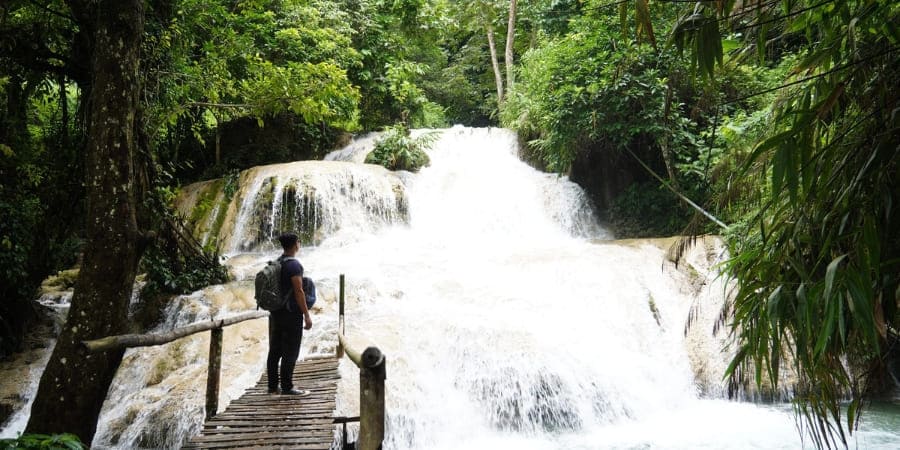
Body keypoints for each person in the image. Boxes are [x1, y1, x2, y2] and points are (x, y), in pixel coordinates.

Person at [267, 232, 313, 395]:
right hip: (291, 314)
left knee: (275, 350)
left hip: (276, 313)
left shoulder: (277, 262)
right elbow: (299, 291)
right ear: (295, 245)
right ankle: (287, 387)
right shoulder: (294, 265)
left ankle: (272, 386)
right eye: (299, 242)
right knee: (291, 350)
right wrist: (306, 315)